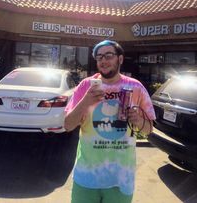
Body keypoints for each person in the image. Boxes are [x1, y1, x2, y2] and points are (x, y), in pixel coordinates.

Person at [64, 40, 156, 203]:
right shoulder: (85, 86)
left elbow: (148, 130)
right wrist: (86, 100)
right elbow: (68, 125)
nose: (103, 61)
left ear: (120, 59)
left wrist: (137, 119)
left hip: (121, 178)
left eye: (108, 56)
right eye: (99, 57)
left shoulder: (136, 87)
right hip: (86, 177)